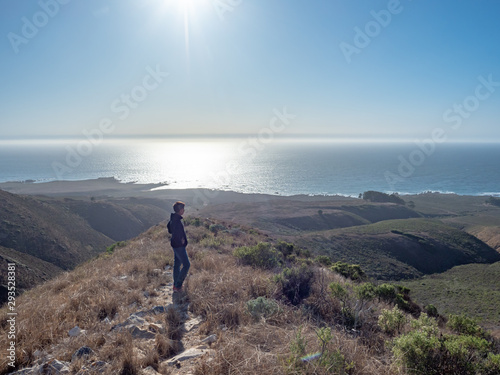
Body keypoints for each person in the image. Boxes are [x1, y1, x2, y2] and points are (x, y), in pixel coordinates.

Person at [167, 201, 190, 292]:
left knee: (177, 264)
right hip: (179, 246)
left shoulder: (173, 218)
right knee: (187, 265)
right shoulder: (177, 220)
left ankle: (175, 284)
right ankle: (178, 285)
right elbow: (176, 232)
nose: (184, 210)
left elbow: (169, 229)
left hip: (175, 244)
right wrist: (181, 240)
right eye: (183, 209)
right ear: (180, 210)